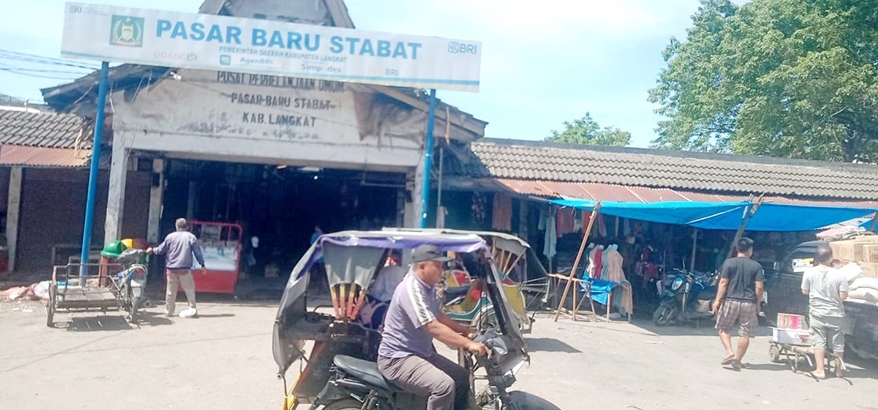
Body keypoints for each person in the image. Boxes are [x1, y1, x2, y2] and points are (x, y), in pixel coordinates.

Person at [378, 245, 490, 410]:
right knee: (443, 387)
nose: (441, 270)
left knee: (461, 377)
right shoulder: (411, 288)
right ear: (422, 266)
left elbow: (438, 316)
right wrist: (468, 344)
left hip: (420, 354)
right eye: (437, 266)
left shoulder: (427, 287)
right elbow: (432, 326)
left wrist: (466, 331)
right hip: (398, 359)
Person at [711, 237, 764, 371]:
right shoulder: (756, 266)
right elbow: (759, 287)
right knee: (745, 333)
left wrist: (717, 300)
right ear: (750, 250)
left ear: (737, 249)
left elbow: (723, 283)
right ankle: (738, 361)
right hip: (749, 303)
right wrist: (758, 303)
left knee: (723, 328)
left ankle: (730, 352)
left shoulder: (729, 263)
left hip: (731, 300)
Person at [802, 244, 849, 379]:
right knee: (838, 341)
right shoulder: (840, 274)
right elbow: (844, 295)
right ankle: (839, 370)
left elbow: (805, 291)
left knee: (819, 340)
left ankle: (820, 370)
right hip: (835, 312)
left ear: (816, 258)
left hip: (817, 312)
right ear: (831, 258)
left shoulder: (809, 272)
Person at [147, 218, 206, 318]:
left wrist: (152, 250)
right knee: (189, 290)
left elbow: (161, 250)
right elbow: (197, 253)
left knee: (170, 292)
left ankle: (168, 312)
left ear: (176, 227)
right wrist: (202, 265)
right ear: (187, 227)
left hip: (171, 270)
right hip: (185, 270)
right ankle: (192, 310)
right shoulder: (191, 237)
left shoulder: (170, 237)